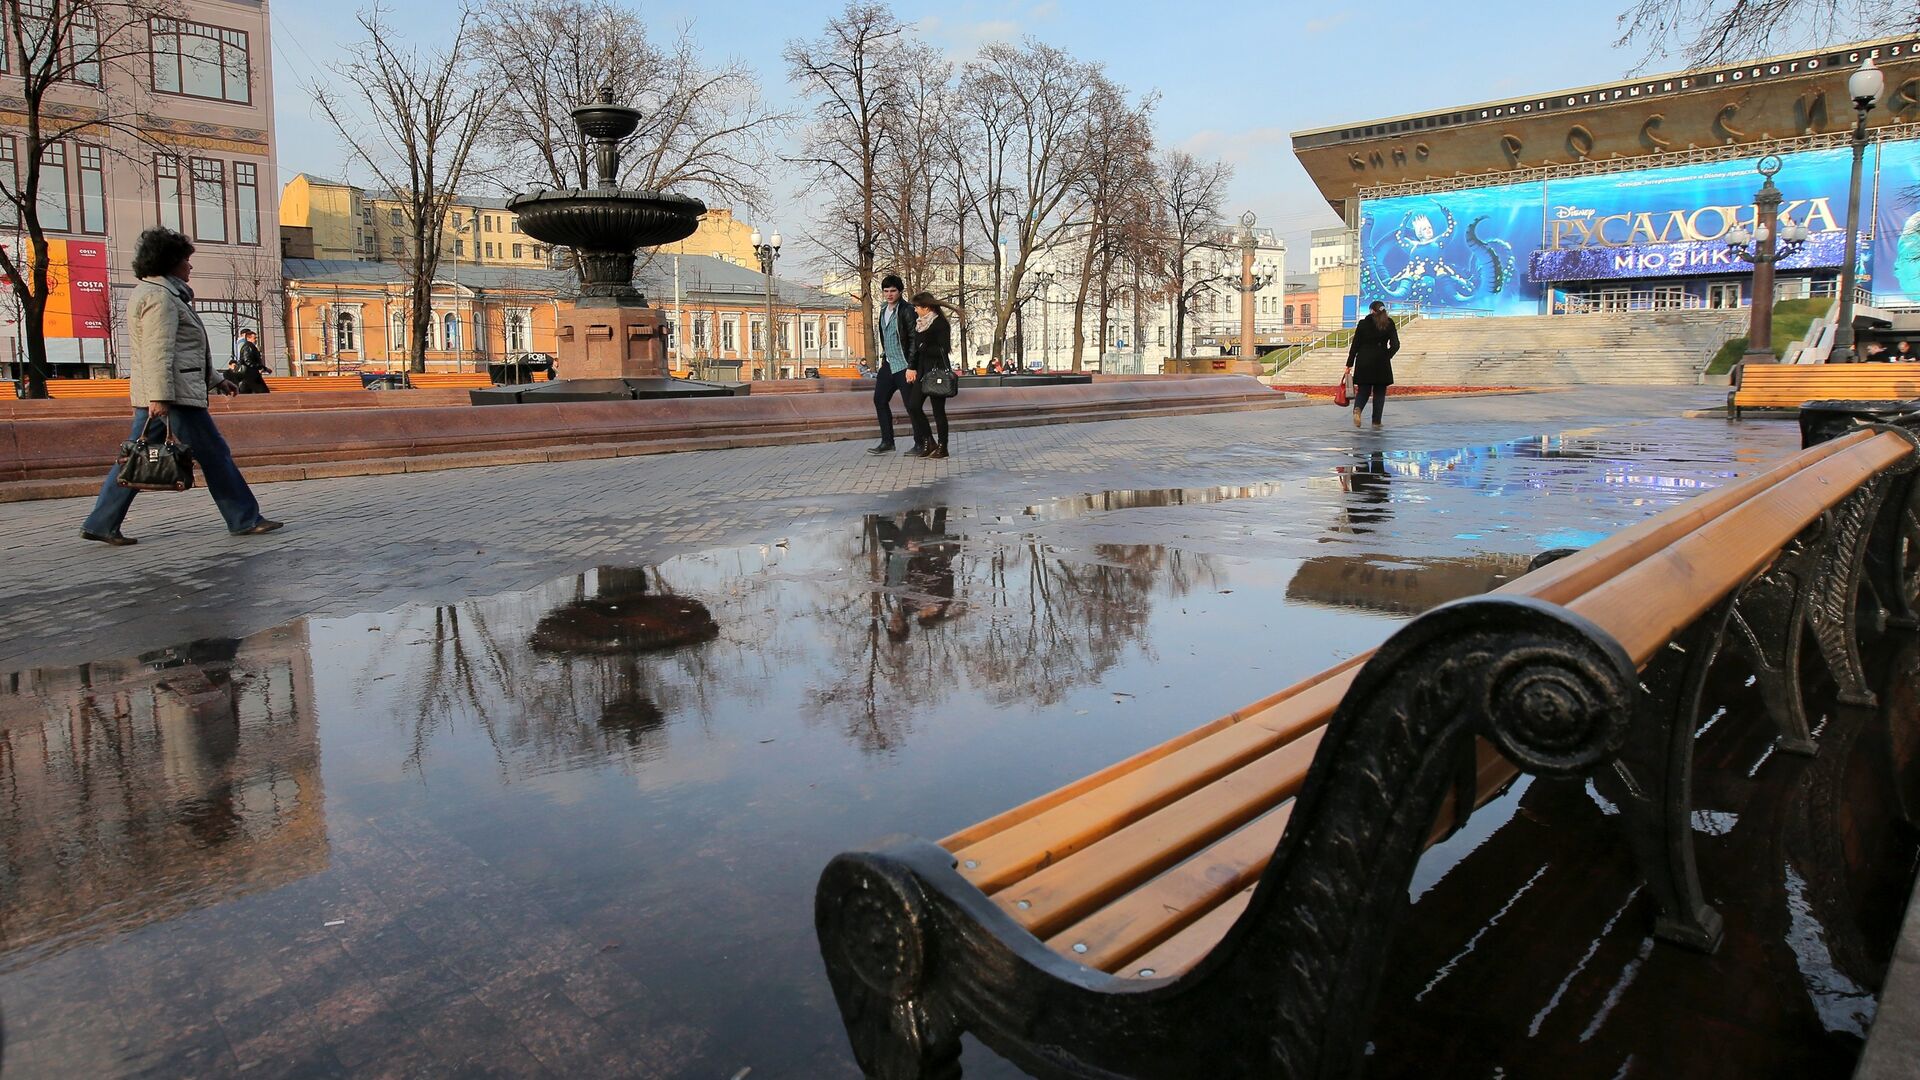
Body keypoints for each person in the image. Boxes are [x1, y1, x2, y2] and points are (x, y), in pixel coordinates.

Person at [79, 227, 282, 546]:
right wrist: (160, 397)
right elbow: (158, 352)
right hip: (173, 398)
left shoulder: (163, 295)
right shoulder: (160, 299)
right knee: (215, 454)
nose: (190, 266)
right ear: (170, 262)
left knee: (136, 456)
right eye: (186, 260)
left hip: (166, 394)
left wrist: (217, 380)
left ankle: (101, 522)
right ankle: (244, 518)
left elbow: (187, 352)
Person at [903, 292, 958, 459]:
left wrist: (923, 346)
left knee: (938, 411)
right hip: (922, 372)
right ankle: (928, 440)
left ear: (926, 307)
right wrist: (911, 367)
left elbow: (943, 349)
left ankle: (943, 446)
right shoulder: (920, 324)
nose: (915, 310)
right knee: (913, 406)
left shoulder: (940, 324)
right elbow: (916, 350)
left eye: (917, 307)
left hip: (936, 372)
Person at [868, 273, 917, 456]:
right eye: (886, 291)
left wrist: (912, 366)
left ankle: (921, 443)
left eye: (893, 291)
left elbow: (912, 338)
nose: (889, 294)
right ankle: (887, 442)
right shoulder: (882, 310)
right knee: (879, 400)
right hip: (888, 364)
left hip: (904, 365)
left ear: (900, 292)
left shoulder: (906, 310)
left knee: (911, 406)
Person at [1345, 300, 1400, 428]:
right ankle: (1376, 422)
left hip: (1364, 360)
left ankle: (1357, 409)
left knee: (1363, 390)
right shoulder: (1389, 323)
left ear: (1371, 310)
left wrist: (1349, 364)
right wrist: (1387, 355)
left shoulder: (1363, 324)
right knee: (1379, 393)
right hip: (1381, 361)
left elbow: (1355, 345)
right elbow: (1396, 345)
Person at [234, 329, 270, 393]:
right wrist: (261, 367)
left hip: (249, 375)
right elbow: (248, 361)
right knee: (263, 392)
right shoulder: (248, 347)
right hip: (250, 374)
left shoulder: (250, 346)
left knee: (246, 393)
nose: (256, 340)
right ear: (248, 338)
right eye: (254, 338)